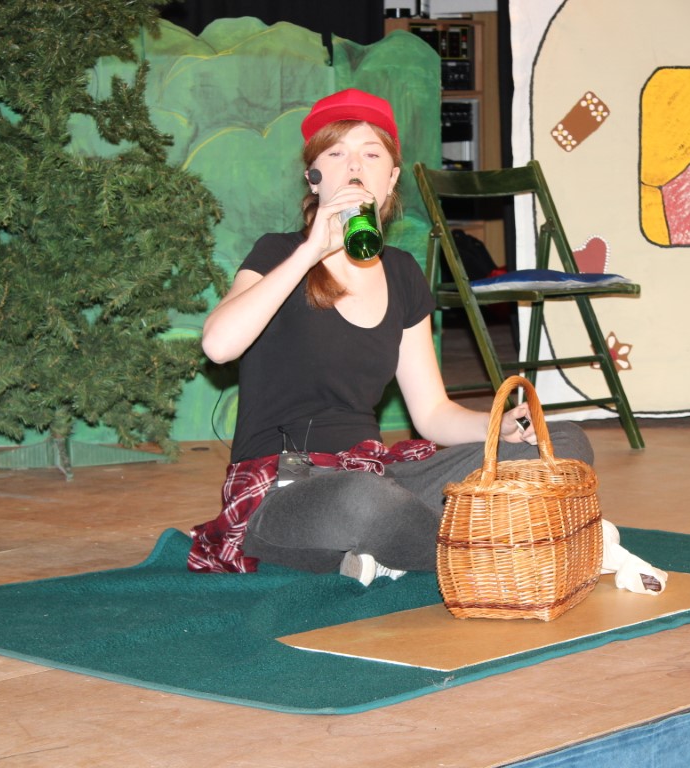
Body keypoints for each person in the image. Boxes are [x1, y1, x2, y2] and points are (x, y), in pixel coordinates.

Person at [187, 88, 595, 585]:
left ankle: (402, 550)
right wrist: (311, 250)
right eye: (336, 153)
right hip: (288, 486)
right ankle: (505, 543)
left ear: (391, 179)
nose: (354, 166)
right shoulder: (278, 253)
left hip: (375, 470)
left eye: (371, 154)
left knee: (563, 442)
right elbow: (218, 346)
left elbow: (432, 414)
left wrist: (498, 427)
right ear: (313, 176)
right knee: (365, 502)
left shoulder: (401, 273)